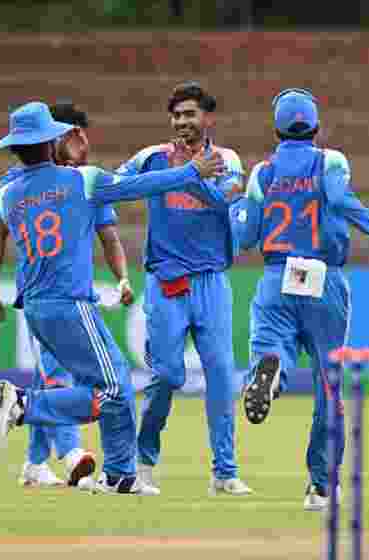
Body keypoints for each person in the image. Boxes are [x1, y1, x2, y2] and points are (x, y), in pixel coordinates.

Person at [0, 101, 226, 495]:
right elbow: (140, 187)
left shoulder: (8, 195)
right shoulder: (83, 180)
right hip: (71, 304)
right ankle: (25, 405)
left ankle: (119, 475)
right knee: (114, 389)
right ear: (50, 141)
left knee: (112, 386)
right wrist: (191, 171)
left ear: (15, 149)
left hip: (36, 307)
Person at [230, 88, 369, 510]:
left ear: (276, 130)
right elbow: (340, 200)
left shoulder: (262, 173)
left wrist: (230, 210)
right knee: (329, 383)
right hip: (323, 277)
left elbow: (245, 237)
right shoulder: (331, 161)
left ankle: (270, 371)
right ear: (316, 128)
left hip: (275, 276)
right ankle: (321, 486)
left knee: (271, 347)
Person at [0, 103, 133, 488]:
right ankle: (70, 455)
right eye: (67, 133)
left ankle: (35, 462)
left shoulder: (81, 185)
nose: (73, 139)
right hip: (54, 298)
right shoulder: (25, 183)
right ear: (53, 141)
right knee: (63, 380)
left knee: (61, 378)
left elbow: (109, 236)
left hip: (67, 300)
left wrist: (123, 279)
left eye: (77, 133)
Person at [114, 82, 251, 496]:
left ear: (208, 119)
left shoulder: (227, 159)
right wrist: (185, 173)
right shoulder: (150, 157)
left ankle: (224, 473)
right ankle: (142, 462)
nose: (182, 122)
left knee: (222, 377)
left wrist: (184, 178)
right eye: (176, 115)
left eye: (190, 114)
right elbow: (116, 188)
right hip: (165, 281)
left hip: (211, 281)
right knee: (169, 374)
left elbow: (223, 199)